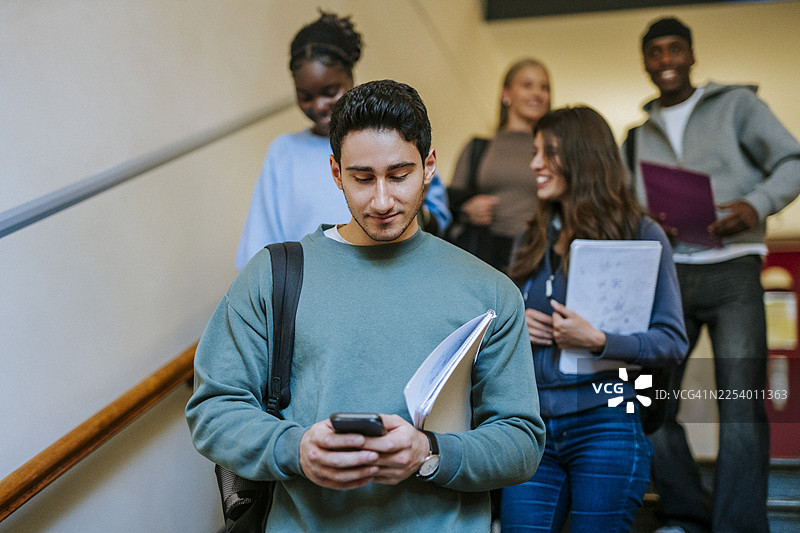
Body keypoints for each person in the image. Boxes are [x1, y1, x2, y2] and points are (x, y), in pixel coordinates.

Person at [186, 79, 546, 532]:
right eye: (361, 178)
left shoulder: (489, 291)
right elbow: (214, 408)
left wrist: (430, 453)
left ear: (429, 166)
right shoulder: (274, 275)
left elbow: (522, 441)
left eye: (399, 175)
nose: (381, 200)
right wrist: (294, 448)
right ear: (336, 172)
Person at [622, 17, 800, 533]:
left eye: (675, 49)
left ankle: (739, 527)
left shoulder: (738, 105)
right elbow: (623, 204)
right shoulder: (634, 136)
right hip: (668, 278)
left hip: (733, 271)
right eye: (655, 52)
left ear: (692, 55)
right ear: (646, 63)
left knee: (740, 405)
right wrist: (648, 221)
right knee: (646, 403)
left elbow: (792, 160)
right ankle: (688, 515)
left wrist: (755, 203)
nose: (666, 60)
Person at [501, 106, 688, 533]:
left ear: (583, 158)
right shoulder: (529, 238)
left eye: (547, 152)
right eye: (535, 152)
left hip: (608, 423)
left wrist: (599, 339)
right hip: (534, 431)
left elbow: (672, 340)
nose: (534, 164)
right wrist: (515, 327)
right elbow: (499, 341)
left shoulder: (640, 233)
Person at [235, 11, 450, 270]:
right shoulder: (283, 152)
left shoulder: (392, 142)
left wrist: (417, 204)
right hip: (309, 287)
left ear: (351, 75)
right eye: (305, 96)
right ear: (336, 171)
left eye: (330, 92)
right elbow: (260, 248)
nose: (319, 105)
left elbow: (438, 224)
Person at [446, 58, 551, 271]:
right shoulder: (479, 146)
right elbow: (450, 199)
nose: (537, 94)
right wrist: (467, 208)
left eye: (544, 87)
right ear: (506, 94)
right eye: (527, 85)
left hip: (536, 254)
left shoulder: (554, 151)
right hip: (483, 256)